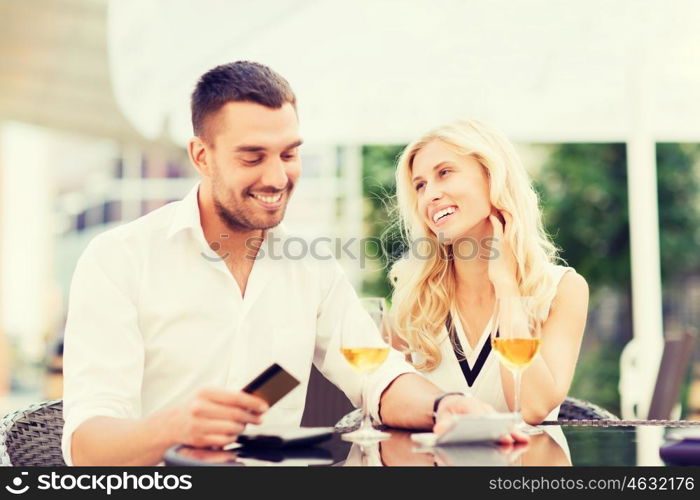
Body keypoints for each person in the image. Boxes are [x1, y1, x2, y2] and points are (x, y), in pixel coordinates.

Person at [62, 62, 521, 466]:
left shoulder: (312, 266)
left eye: (289, 153)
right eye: (252, 156)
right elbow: (87, 447)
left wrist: (445, 406)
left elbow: (377, 375)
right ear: (202, 156)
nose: (278, 177)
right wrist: (175, 426)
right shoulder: (118, 259)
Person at [388, 119, 589, 424]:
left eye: (444, 173)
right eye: (420, 185)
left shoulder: (562, 289)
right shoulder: (413, 297)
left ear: (492, 176)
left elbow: (531, 409)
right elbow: (388, 405)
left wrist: (506, 286)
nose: (430, 195)